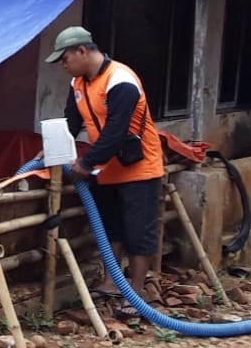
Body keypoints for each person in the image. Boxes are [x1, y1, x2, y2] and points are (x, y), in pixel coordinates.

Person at [45, 26, 165, 307]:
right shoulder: (78, 84)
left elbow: (115, 131)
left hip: (139, 168)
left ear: (82, 51)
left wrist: (85, 162)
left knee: (138, 231)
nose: (63, 66)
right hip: (107, 168)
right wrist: (53, 148)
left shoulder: (120, 80)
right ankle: (113, 282)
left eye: (65, 59)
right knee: (111, 226)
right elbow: (71, 123)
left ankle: (135, 293)